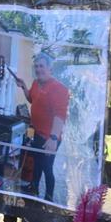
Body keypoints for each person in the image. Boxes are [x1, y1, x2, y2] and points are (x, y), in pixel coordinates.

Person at [15, 51, 69, 201]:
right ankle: (33, 188)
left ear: (50, 69)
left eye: (42, 66)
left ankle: (48, 198)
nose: (38, 69)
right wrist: (24, 87)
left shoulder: (59, 89)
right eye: (36, 66)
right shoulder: (36, 83)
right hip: (35, 132)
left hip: (49, 137)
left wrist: (53, 138)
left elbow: (60, 115)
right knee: (37, 162)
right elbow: (31, 99)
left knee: (47, 168)